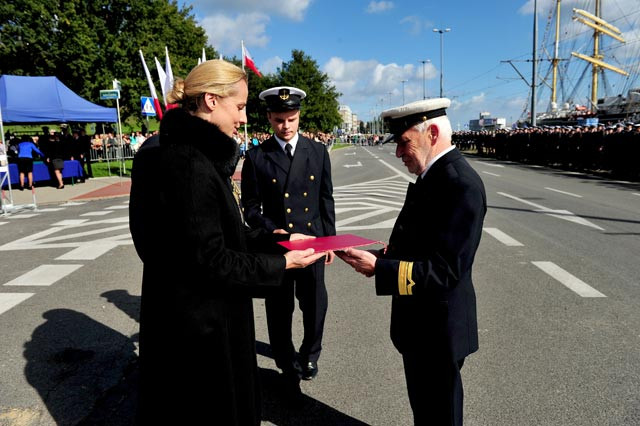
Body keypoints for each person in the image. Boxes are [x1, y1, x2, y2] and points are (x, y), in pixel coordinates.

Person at [129, 60, 325, 425]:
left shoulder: (180, 152)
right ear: (210, 101)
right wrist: (282, 263)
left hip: (187, 316)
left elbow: (217, 231)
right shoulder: (189, 164)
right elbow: (212, 259)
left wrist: (275, 237)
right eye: (239, 106)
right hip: (202, 331)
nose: (244, 117)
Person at [337, 98, 486, 426]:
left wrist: (380, 269)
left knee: (440, 415)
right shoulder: (433, 177)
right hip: (421, 326)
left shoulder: (460, 184)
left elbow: (447, 271)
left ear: (432, 133)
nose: (398, 152)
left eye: (404, 142)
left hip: (439, 329)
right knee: (425, 412)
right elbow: (418, 248)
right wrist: (376, 257)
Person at [241, 86, 336, 387]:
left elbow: (325, 200)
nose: (286, 126)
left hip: (312, 242)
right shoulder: (257, 156)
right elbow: (251, 207)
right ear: (269, 117)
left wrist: (330, 240)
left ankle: (310, 353)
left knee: (315, 304)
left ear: (299, 116)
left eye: (291, 119)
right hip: (278, 247)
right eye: (279, 119)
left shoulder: (317, 151)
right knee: (279, 309)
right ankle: (285, 362)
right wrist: (271, 229)